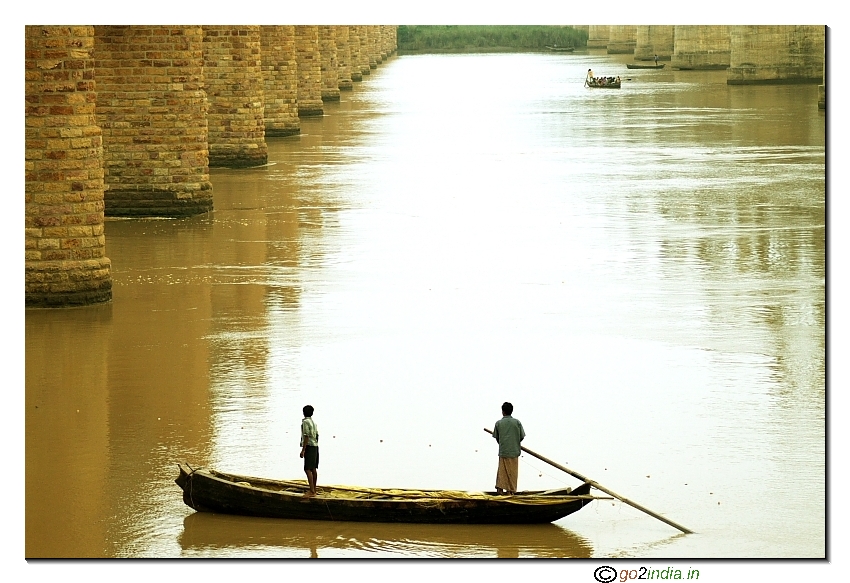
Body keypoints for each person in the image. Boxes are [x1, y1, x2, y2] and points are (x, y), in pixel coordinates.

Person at [492, 402, 525, 495]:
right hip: (514, 451)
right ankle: (510, 491)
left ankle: (500, 490)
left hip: (504, 451)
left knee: (502, 471)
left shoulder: (498, 423)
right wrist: (514, 443)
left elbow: (497, 438)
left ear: (503, 412)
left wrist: (504, 443)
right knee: (512, 472)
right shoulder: (517, 422)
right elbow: (521, 437)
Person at [300, 405, 319, 496]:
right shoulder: (313, 422)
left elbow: (306, 436)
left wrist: (303, 450)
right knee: (313, 468)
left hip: (309, 446)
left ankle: (311, 491)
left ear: (303, 413)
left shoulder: (305, 422)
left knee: (307, 469)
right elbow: (317, 435)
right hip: (315, 446)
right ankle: (314, 489)